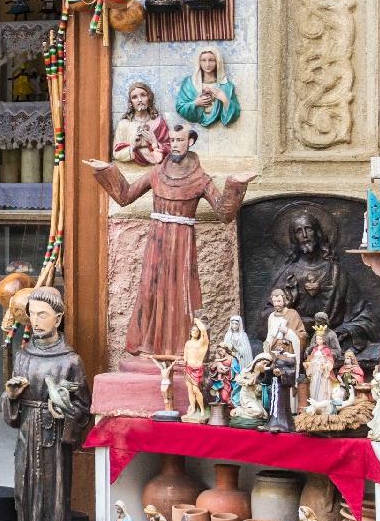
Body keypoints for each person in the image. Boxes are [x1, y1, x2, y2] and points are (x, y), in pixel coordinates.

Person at [86, 122, 255, 356]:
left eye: (180, 140)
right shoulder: (157, 172)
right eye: (172, 140)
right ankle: (146, 345)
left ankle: (178, 348)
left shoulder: (200, 179)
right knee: (150, 288)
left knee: (180, 292)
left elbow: (224, 213)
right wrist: (107, 169)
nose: (175, 145)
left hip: (182, 242)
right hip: (157, 239)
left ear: (190, 142)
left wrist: (236, 183)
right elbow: (125, 195)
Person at [2, 287, 89, 521]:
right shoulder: (23, 356)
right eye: (32, 315)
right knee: (24, 494)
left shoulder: (70, 361)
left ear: (58, 318)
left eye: (43, 314)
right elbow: (10, 407)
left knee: (54, 499)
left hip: (54, 438)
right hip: (27, 434)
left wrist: (64, 410)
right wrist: (11, 396)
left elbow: (83, 408)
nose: (36, 321)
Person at [268, 208, 375, 354]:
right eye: (299, 231)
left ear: (318, 233)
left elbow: (366, 317)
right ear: (294, 238)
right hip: (294, 341)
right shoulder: (287, 274)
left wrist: (343, 331)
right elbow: (267, 315)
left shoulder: (336, 273)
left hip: (332, 339)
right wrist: (292, 316)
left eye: (309, 229)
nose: (305, 235)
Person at [175, 46, 239, 128]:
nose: (207, 64)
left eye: (211, 60)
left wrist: (225, 100)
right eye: (203, 60)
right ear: (199, 62)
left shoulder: (226, 85)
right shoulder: (189, 83)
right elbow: (180, 107)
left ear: (217, 62)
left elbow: (235, 114)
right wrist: (195, 103)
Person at [112, 81, 171, 166]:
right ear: (131, 102)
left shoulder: (159, 122)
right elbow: (116, 152)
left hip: (155, 167)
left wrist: (154, 143)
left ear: (149, 98)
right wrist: (133, 146)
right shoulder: (124, 124)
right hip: (130, 168)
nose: (139, 100)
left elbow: (170, 147)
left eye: (143, 95)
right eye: (134, 97)